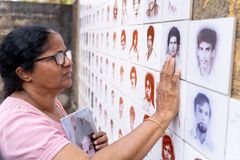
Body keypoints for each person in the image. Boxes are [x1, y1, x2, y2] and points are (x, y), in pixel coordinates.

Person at [0, 25, 180, 160]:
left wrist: (90, 149)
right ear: (24, 73)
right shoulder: (18, 125)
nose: (68, 62)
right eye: (57, 57)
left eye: (65, 53)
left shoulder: (47, 102)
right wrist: (163, 114)